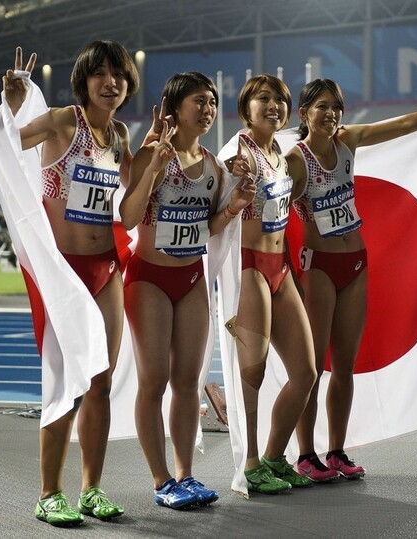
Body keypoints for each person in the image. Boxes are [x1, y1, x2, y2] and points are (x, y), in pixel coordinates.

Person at [285, 79, 417, 482]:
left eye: (336, 106)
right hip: (319, 267)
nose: (330, 114)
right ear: (304, 113)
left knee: (345, 365)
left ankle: (336, 451)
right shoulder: (296, 161)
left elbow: (401, 126)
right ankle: (305, 454)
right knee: (312, 369)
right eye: (321, 107)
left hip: (355, 263)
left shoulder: (348, 141)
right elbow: (274, 219)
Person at [1, 42, 138, 526]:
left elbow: (129, 201)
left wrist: (156, 158)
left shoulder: (120, 134)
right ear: (84, 81)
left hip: (105, 269)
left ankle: (92, 489)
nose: (110, 82)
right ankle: (48, 493)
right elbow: (8, 142)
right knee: (63, 385)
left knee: (101, 382)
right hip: (65, 272)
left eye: (118, 74)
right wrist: (15, 103)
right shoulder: (63, 121)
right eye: (100, 74)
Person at [118, 72, 255, 509]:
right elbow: (129, 217)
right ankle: (161, 481)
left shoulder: (215, 167)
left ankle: (185, 476)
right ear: (175, 109)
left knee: (187, 383)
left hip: (192, 281)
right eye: (199, 100)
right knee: (154, 381)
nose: (208, 108)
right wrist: (154, 168)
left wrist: (233, 207)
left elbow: (210, 227)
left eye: (213, 101)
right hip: (149, 279)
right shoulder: (151, 155)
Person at [225, 74, 316, 494]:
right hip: (250, 268)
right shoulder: (240, 149)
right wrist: (232, 171)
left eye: (280, 100)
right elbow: (228, 168)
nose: (274, 106)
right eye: (264, 99)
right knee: (253, 372)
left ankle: (276, 456)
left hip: (280, 268)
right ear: (247, 109)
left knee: (306, 372)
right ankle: (250, 462)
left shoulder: (280, 151)